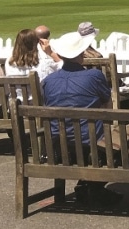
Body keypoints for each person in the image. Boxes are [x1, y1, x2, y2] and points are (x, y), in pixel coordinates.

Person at [41, 30, 124, 206]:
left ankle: (89, 186)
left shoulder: (49, 80)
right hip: (90, 143)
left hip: (58, 145)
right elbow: (107, 105)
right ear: (81, 53)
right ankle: (93, 187)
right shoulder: (94, 75)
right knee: (124, 140)